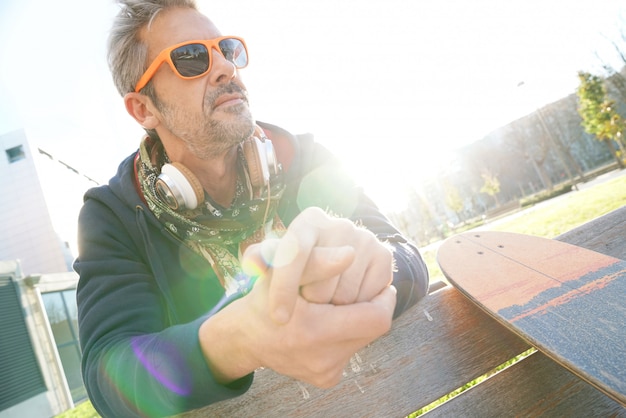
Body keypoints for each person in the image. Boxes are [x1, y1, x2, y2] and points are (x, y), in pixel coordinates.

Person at [74, 0, 429, 416]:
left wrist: (374, 264)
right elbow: (107, 373)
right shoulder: (111, 215)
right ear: (143, 109)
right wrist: (238, 340)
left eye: (227, 49)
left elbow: (406, 255)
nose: (226, 68)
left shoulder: (306, 157)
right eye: (192, 58)